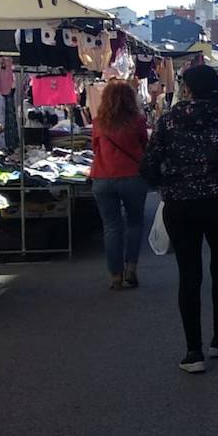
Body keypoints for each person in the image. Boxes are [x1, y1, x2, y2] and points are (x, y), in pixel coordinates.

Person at [141, 65, 218, 374]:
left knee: (189, 273)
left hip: (180, 205)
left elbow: (149, 165)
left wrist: (168, 182)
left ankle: (193, 351)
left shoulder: (169, 120)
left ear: (186, 89)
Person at [90, 80, 150, 290]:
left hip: (103, 177)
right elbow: (144, 146)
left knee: (112, 226)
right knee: (135, 222)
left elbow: (95, 148)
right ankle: (131, 267)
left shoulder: (98, 122)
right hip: (133, 176)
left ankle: (115, 275)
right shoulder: (138, 121)